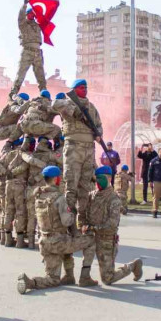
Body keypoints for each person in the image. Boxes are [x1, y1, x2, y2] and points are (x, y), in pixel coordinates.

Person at [17, 166, 97, 294]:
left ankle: (30, 282)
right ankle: (85, 277)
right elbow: (67, 221)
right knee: (91, 240)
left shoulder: (38, 196)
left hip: (45, 242)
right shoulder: (59, 198)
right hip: (59, 242)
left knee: (53, 279)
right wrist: (73, 213)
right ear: (56, 179)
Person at [52, 79, 103, 228]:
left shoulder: (91, 108)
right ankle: (69, 224)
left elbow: (99, 124)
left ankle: (82, 222)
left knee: (85, 187)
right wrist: (72, 108)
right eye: (81, 88)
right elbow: (54, 104)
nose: (84, 90)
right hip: (73, 148)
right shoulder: (68, 102)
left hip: (89, 149)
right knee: (71, 186)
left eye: (86, 87)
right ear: (74, 90)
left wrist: (98, 133)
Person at [86, 166, 143, 284]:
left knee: (107, 279)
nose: (97, 182)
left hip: (107, 241)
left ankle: (133, 266)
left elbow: (112, 224)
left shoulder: (113, 199)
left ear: (108, 178)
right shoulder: (92, 195)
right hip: (92, 238)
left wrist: (93, 228)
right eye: (96, 179)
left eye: (100, 179)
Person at [17, 136, 62, 249]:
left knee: (31, 216)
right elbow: (62, 163)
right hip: (46, 190)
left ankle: (31, 242)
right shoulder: (51, 155)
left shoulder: (32, 155)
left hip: (32, 190)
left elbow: (24, 169)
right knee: (46, 216)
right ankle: (44, 240)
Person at [10, 0, 49, 96]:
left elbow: (48, 17)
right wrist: (24, 4)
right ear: (27, 14)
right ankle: (13, 93)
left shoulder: (38, 25)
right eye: (31, 13)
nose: (33, 14)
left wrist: (55, 5)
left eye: (34, 13)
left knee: (41, 76)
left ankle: (44, 94)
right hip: (27, 51)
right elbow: (20, 17)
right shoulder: (23, 24)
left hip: (37, 52)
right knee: (21, 74)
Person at [5, 137, 34, 248]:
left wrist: (8, 173)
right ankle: (20, 240)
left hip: (8, 184)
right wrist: (16, 171)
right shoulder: (25, 154)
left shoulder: (8, 154)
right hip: (19, 185)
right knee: (20, 212)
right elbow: (28, 166)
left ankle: (7, 239)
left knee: (9, 210)